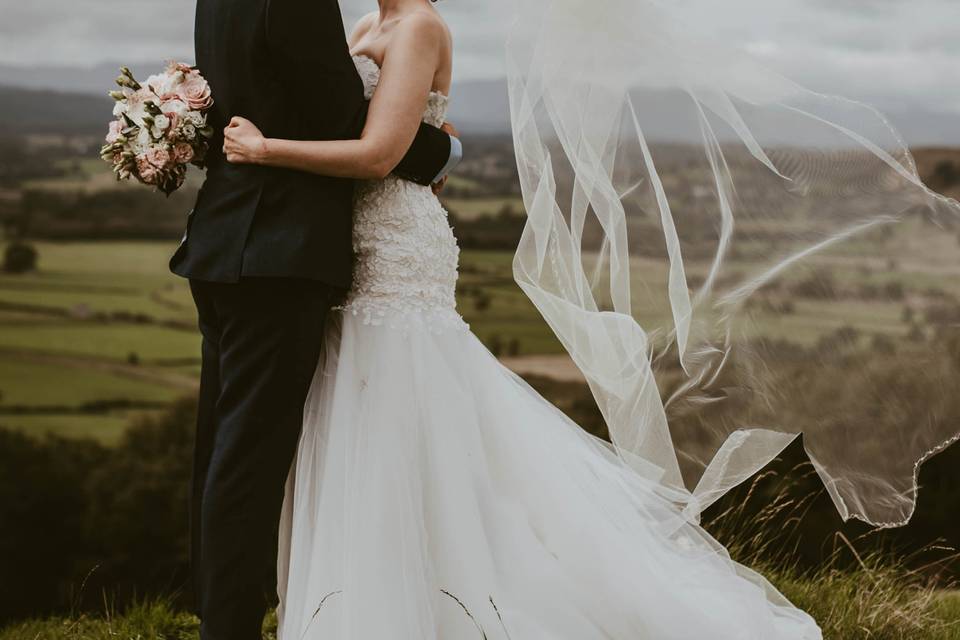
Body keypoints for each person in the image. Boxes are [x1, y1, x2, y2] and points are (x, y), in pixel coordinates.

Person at [222, 1, 823, 638]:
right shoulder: (363, 27)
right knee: (356, 410)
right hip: (349, 236)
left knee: (402, 400)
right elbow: (392, 125)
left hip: (396, 243)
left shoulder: (422, 26)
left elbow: (377, 154)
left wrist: (266, 151)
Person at [171, 0, 460, 638]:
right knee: (248, 454)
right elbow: (342, 116)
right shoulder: (330, 14)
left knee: (238, 446)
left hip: (250, 241)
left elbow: (343, 126)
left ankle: (247, 612)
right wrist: (440, 151)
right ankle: (233, 623)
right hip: (279, 249)